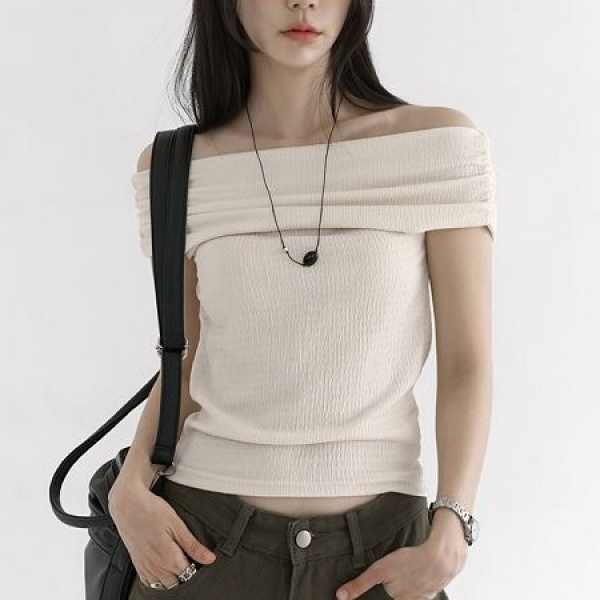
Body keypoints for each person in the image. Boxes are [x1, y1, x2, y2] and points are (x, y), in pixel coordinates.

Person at [108, 1, 496, 599]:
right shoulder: (178, 170)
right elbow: (183, 359)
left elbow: (467, 360)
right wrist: (130, 486)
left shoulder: (436, 147)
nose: (304, 3)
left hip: (382, 556)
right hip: (202, 543)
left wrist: (454, 523)